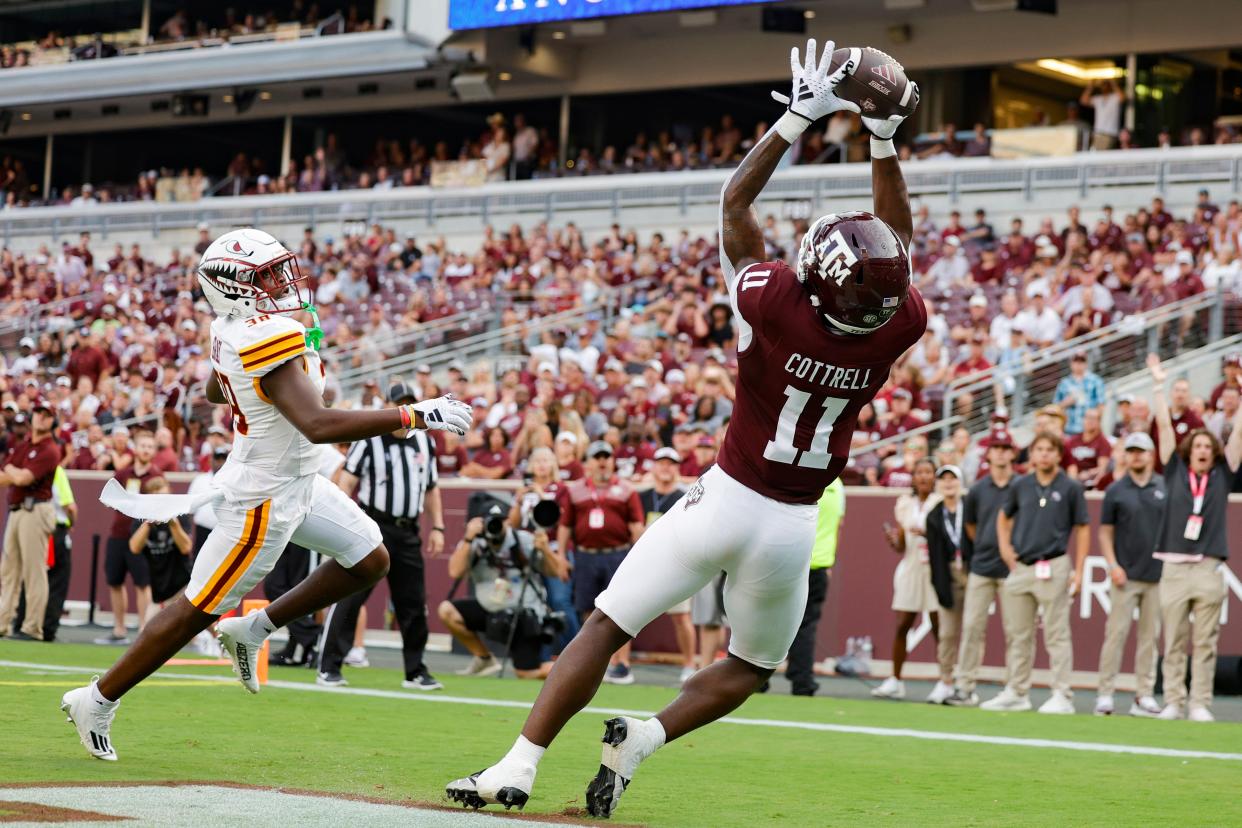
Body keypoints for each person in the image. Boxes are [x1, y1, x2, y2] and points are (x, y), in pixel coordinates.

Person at [447, 38, 924, 817]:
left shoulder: (772, 305)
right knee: (748, 667)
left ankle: (518, 767)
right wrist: (881, 138)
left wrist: (800, 117)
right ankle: (648, 738)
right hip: (791, 529)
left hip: (725, 499)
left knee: (605, 626)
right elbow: (895, 253)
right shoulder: (896, 325)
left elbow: (735, 207)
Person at [61, 228, 473, 762]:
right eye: (267, 276)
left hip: (296, 481)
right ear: (233, 288)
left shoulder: (235, 329)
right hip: (264, 496)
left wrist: (255, 365)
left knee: (369, 558)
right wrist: (415, 414)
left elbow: (216, 388)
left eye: (280, 271)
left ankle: (255, 627)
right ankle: (96, 697)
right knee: (197, 607)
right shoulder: (258, 336)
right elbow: (319, 423)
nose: (282, 283)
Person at [316, 381, 447, 689]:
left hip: (408, 528)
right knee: (351, 595)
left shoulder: (425, 442)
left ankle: (415, 670)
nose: (407, 408)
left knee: (413, 602)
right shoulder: (370, 439)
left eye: (411, 402)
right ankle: (330, 665)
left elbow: (431, 488)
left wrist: (438, 526)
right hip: (374, 526)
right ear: (390, 406)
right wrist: (341, 524)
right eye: (401, 402)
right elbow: (347, 483)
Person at [1147, 354, 1242, 721]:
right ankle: (1173, 699)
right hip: (1173, 566)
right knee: (1173, 640)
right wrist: (1158, 384)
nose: (1203, 450)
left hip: (1207, 567)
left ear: (1215, 451)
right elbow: (1164, 426)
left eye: (1208, 446)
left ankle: (1200, 702)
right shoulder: (1174, 471)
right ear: (1189, 451)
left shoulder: (1223, 474)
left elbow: (1239, 436)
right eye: (1198, 445)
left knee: (1205, 641)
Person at [983, 431, 1089, 714]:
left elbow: (1082, 528)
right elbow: (1004, 517)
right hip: (1022, 567)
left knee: (1056, 634)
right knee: (1018, 635)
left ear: (1058, 454)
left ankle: (1061, 694)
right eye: (1038, 449)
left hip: (1053, 565)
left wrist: (1078, 571)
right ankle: (1017, 691)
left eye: (1049, 449)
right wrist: (1006, 551)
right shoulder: (1021, 485)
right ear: (1031, 454)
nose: (1043, 454)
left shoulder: (1070, 488)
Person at [437, 504, 564, 679]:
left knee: (525, 674)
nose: (495, 527)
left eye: (499, 522)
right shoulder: (475, 541)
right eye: (490, 522)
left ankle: (577, 669)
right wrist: (468, 539)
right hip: (489, 608)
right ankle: (484, 659)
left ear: (508, 522)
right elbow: (455, 572)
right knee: (447, 610)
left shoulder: (522, 540)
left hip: (522, 613)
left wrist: (545, 549)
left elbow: (556, 572)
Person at [558, 441, 645, 684]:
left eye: (607, 456)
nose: (603, 461)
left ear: (613, 461)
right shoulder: (575, 491)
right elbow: (565, 525)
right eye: (598, 457)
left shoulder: (626, 490)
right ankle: (594, 661)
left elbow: (636, 526)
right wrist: (562, 556)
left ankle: (622, 663)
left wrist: (640, 557)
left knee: (622, 609)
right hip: (586, 554)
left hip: (617, 554)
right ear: (588, 462)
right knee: (588, 609)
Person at [1093, 432, 1166, 717]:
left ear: (1151, 455)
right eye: (1132, 451)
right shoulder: (1115, 490)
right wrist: (1113, 565)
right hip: (1125, 575)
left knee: (1150, 638)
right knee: (1115, 636)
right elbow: (1105, 531)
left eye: (1142, 451)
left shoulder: (1164, 487)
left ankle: (1144, 695)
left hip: (1156, 575)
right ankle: (1105, 694)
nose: (1136, 455)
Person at [944, 426, 1015, 707]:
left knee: (1016, 630)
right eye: (995, 448)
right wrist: (987, 546)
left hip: (1012, 568)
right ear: (989, 454)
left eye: (1004, 448)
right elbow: (970, 526)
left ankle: (1014, 688)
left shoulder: (1021, 485)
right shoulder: (978, 489)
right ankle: (964, 685)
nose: (999, 453)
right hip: (982, 566)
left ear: (1011, 453)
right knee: (972, 627)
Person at [873, 458, 940, 700]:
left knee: (939, 628)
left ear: (935, 477)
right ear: (913, 478)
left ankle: (945, 681)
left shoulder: (940, 503)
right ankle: (895, 680)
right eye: (919, 472)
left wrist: (928, 533)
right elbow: (902, 545)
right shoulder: (904, 504)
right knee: (902, 625)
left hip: (935, 569)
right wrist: (894, 540)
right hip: (911, 566)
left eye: (928, 472)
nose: (923, 477)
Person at [0, 404, 63, 640]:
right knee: (8, 571)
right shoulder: (24, 445)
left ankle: (32, 627)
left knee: (34, 571)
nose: (41, 418)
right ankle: (3, 622)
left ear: (52, 422)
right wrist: (14, 472)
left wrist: (13, 470)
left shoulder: (50, 449)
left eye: (47, 416)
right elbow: (3, 475)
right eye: (39, 413)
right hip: (16, 510)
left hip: (35, 509)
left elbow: (24, 478)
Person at [510, 446, 578, 654]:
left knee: (559, 600)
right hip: (528, 551)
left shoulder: (561, 489)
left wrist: (540, 493)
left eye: (546, 460)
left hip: (554, 549)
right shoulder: (524, 491)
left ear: (553, 465)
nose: (541, 465)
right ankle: (541, 657)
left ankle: (578, 652)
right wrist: (519, 501)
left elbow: (559, 520)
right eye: (537, 460)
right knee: (534, 603)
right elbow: (513, 525)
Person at [637, 447, 696, 683]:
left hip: (675, 563)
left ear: (677, 468)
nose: (665, 467)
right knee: (625, 614)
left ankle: (690, 664)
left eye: (671, 463)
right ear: (653, 467)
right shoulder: (641, 496)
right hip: (644, 562)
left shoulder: (687, 496)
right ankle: (618, 664)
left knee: (681, 617)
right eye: (661, 463)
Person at [96, 429, 159, 645]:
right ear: (136, 448)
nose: (146, 450)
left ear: (154, 451)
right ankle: (119, 629)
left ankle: (144, 630)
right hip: (118, 534)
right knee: (114, 581)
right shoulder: (124, 474)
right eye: (143, 446)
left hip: (141, 539)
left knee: (143, 583)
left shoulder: (157, 477)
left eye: (150, 447)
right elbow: (108, 497)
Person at [785, 477, 844, 697]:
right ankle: (802, 681)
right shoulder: (838, 487)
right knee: (806, 625)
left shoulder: (800, 479)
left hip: (791, 560)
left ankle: (757, 678)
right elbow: (838, 526)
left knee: (772, 619)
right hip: (819, 564)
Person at [14, 461, 76, 641]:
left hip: (29, 524)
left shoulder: (26, 467)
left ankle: (21, 623)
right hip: (54, 529)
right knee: (55, 581)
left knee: (30, 577)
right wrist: (72, 522)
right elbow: (70, 506)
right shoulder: (56, 470)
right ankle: (46, 628)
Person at [925, 464, 967, 705]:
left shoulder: (970, 508)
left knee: (972, 632)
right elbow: (934, 557)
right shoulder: (934, 515)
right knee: (947, 633)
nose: (949, 483)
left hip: (971, 572)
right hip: (947, 573)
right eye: (944, 479)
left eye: (953, 478)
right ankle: (946, 680)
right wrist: (940, 587)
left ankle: (966, 682)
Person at [129, 477, 193, 619]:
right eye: (156, 499)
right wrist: (148, 522)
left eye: (163, 498)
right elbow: (134, 547)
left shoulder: (179, 514)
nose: (160, 504)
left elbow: (186, 548)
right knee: (147, 633)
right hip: (159, 590)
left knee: (201, 625)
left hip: (184, 585)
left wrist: (172, 522)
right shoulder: (142, 518)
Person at [1053, 351, 1105, 436]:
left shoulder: (1096, 381)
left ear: (1086, 363)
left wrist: (1095, 425)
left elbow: (1101, 406)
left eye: (1082, 361)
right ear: (1071, 363)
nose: (1079, 364)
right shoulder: (1064, 383)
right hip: (1068, 430)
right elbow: (1055, 407)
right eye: (1076, 361)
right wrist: (1065, 403)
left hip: (1088, 431)